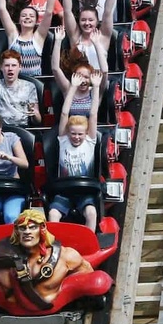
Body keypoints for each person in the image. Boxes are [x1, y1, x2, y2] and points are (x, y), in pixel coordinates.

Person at [0, 209, 94, 308]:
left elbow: (88, 275)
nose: (27, 232)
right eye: (22, 228)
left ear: (42, 229)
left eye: (32, 227)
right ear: (17, 231)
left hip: (59, 308)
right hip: (11, 309)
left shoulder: (66, 256)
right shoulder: (0, 259)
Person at [47, 69, 105, 231]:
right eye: (73, 133)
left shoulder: (89, 141)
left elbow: (93, 114)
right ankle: (55, 245)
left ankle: (89, 241)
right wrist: (72, 87)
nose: (76, 137)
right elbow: (65, 113)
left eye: (80, 134)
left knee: (91, 212)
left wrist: (96, 87)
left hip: (84, 191)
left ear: (86, 133)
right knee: (53, 214)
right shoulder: (64, 140)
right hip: (64, 190)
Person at [0, 0, 54, 76]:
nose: (27, 17)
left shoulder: (39, 37)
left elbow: (49, 12)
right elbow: (2, 9)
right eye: (24, 15)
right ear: (19, 20)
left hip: (34, 83)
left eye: (31, 16)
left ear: (36, 21)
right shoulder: (13, 35)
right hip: (15, 80)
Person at [52, 27, 107, 119]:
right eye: (79, 76)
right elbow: (55, 69)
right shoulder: (68, 89)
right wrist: (58, 41)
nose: (83, 80)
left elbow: (104, 71)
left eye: (86, 77)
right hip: (70, 129)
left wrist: (97, 44)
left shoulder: (95, 91)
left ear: (91, 78)